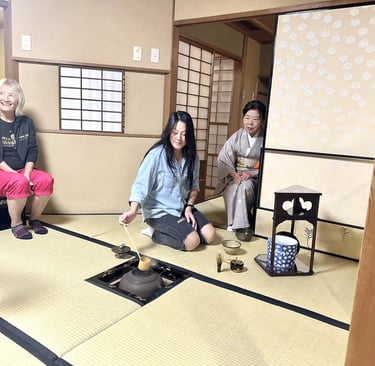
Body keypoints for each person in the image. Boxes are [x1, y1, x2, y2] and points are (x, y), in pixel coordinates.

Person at [119, 111, 215, 251]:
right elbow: (140, 185)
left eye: (184, 134)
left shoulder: (193, 157)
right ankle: (155, 233)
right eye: (175, 132)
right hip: (159, 211)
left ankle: (178, 229)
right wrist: (133, 210)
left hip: (182, 206)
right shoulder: (156, 155)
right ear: (169, 131)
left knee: (210, 236)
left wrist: (188, 207)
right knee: (192, 241)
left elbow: (194, 186)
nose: (179, 138)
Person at [0, 78, 54, 239]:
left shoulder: (26, 122)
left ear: (18, 100)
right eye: (1, 93)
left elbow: (32, 151)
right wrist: (19, 177)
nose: (5, 98)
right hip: (3, 171)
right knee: (20, 182)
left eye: (11, 95)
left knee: (46, 179)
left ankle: (35, 218)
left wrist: (27, 174)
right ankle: (16, 224)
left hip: (23, 169)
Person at [215, 100, 266, 232]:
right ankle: (232, 223)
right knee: (232, 189)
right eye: (247, 118)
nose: (250, 123)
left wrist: (252, 174)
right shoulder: (237, 136)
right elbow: (224, 157)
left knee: (244, 187)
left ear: (262, 120)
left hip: (254, 178)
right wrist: (233, 174)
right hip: (236, 174)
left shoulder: (266, 138)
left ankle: (240, 225)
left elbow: (270, 164)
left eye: (255, 119)